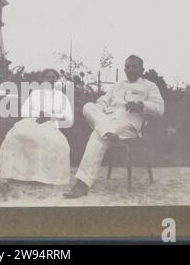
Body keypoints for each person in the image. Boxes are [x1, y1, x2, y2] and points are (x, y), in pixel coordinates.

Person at [63, 55, 164, 198]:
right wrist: (100, 112)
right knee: (88, 106)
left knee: (97, 136)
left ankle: (82, 185)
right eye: (127, 67)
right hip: (109, 121)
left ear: (142, 69)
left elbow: (159, 108)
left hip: (129, 125)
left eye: (134, 66)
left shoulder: (149, 86)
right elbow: (101, 103)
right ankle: (108, 132)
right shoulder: (117, 86)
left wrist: (141, 105)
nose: (130, 69)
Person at [0, 69, 74, 185]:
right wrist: (39, 114)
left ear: (56, 80)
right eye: (48, 77)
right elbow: (23, 111)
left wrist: (50, 116)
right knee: (17, 136)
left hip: (50, 124)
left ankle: (42, 177)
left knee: (51, 141)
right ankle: (15, 174)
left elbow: (68, 117)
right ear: (42, 79)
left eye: (53, 77)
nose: (51, 80)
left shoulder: (61, 96)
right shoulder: (35, 94)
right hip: (31, 121)